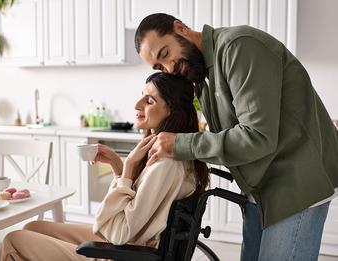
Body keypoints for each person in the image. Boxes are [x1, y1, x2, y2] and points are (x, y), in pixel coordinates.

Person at [134, 13, 338, 261]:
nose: (169, 68)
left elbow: (257, 136)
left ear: (181, 28)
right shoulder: (201, 75)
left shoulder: (238, 46)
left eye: (165, 54)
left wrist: (180, 145)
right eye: (159, 67)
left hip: (295, 183)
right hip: (260, 190)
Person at [0, 72, 209, 261]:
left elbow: (119, 232)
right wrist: (119, 166)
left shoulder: (164, 165)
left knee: (14, 239)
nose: (137, 105)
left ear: (171, 111)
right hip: (131, 245)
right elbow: (133, 216)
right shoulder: (169, 156)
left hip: (127, 253)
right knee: (33, 227)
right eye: (142, 95)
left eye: (149, 100)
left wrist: (127, 171)